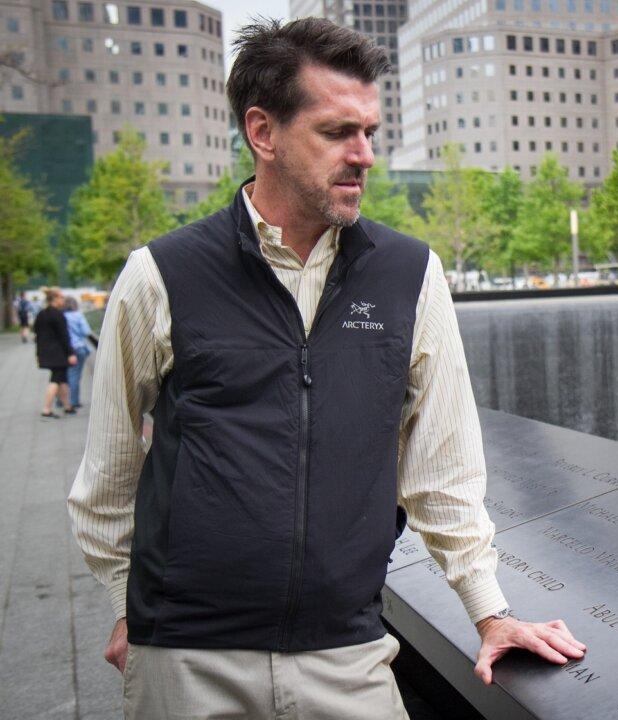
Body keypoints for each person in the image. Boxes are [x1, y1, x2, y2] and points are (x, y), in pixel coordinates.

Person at [67, 18, 584, 720]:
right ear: (263, 132)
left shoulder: (411, 275)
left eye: (369, 131)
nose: (364, 154)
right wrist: (131, 609)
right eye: (338, 132)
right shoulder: (160, 275)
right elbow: (107, 481)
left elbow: (444, 473)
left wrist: (491, 613)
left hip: (348, 654)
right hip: (188, 658)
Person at [33, 288, 76, 417]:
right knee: (56, 379)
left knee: (62, 379)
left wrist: (38, 353)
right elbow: (64, 336)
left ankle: (67, 406)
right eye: (61, 297)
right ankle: (46, 409)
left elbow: (36, 333)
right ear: (55, 299)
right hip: (58, 353)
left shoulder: (41, 314)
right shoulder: (58, 314)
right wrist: (71, 353)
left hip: (45, 351)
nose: (63, 300)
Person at [63, 296, 93, 408]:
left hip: (65, 349)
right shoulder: (78, 315)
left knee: (64, 375)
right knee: (75, 375)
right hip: (79, 347)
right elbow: (86, 331)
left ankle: (61, 400)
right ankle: (73, 401)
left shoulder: (61, 316)